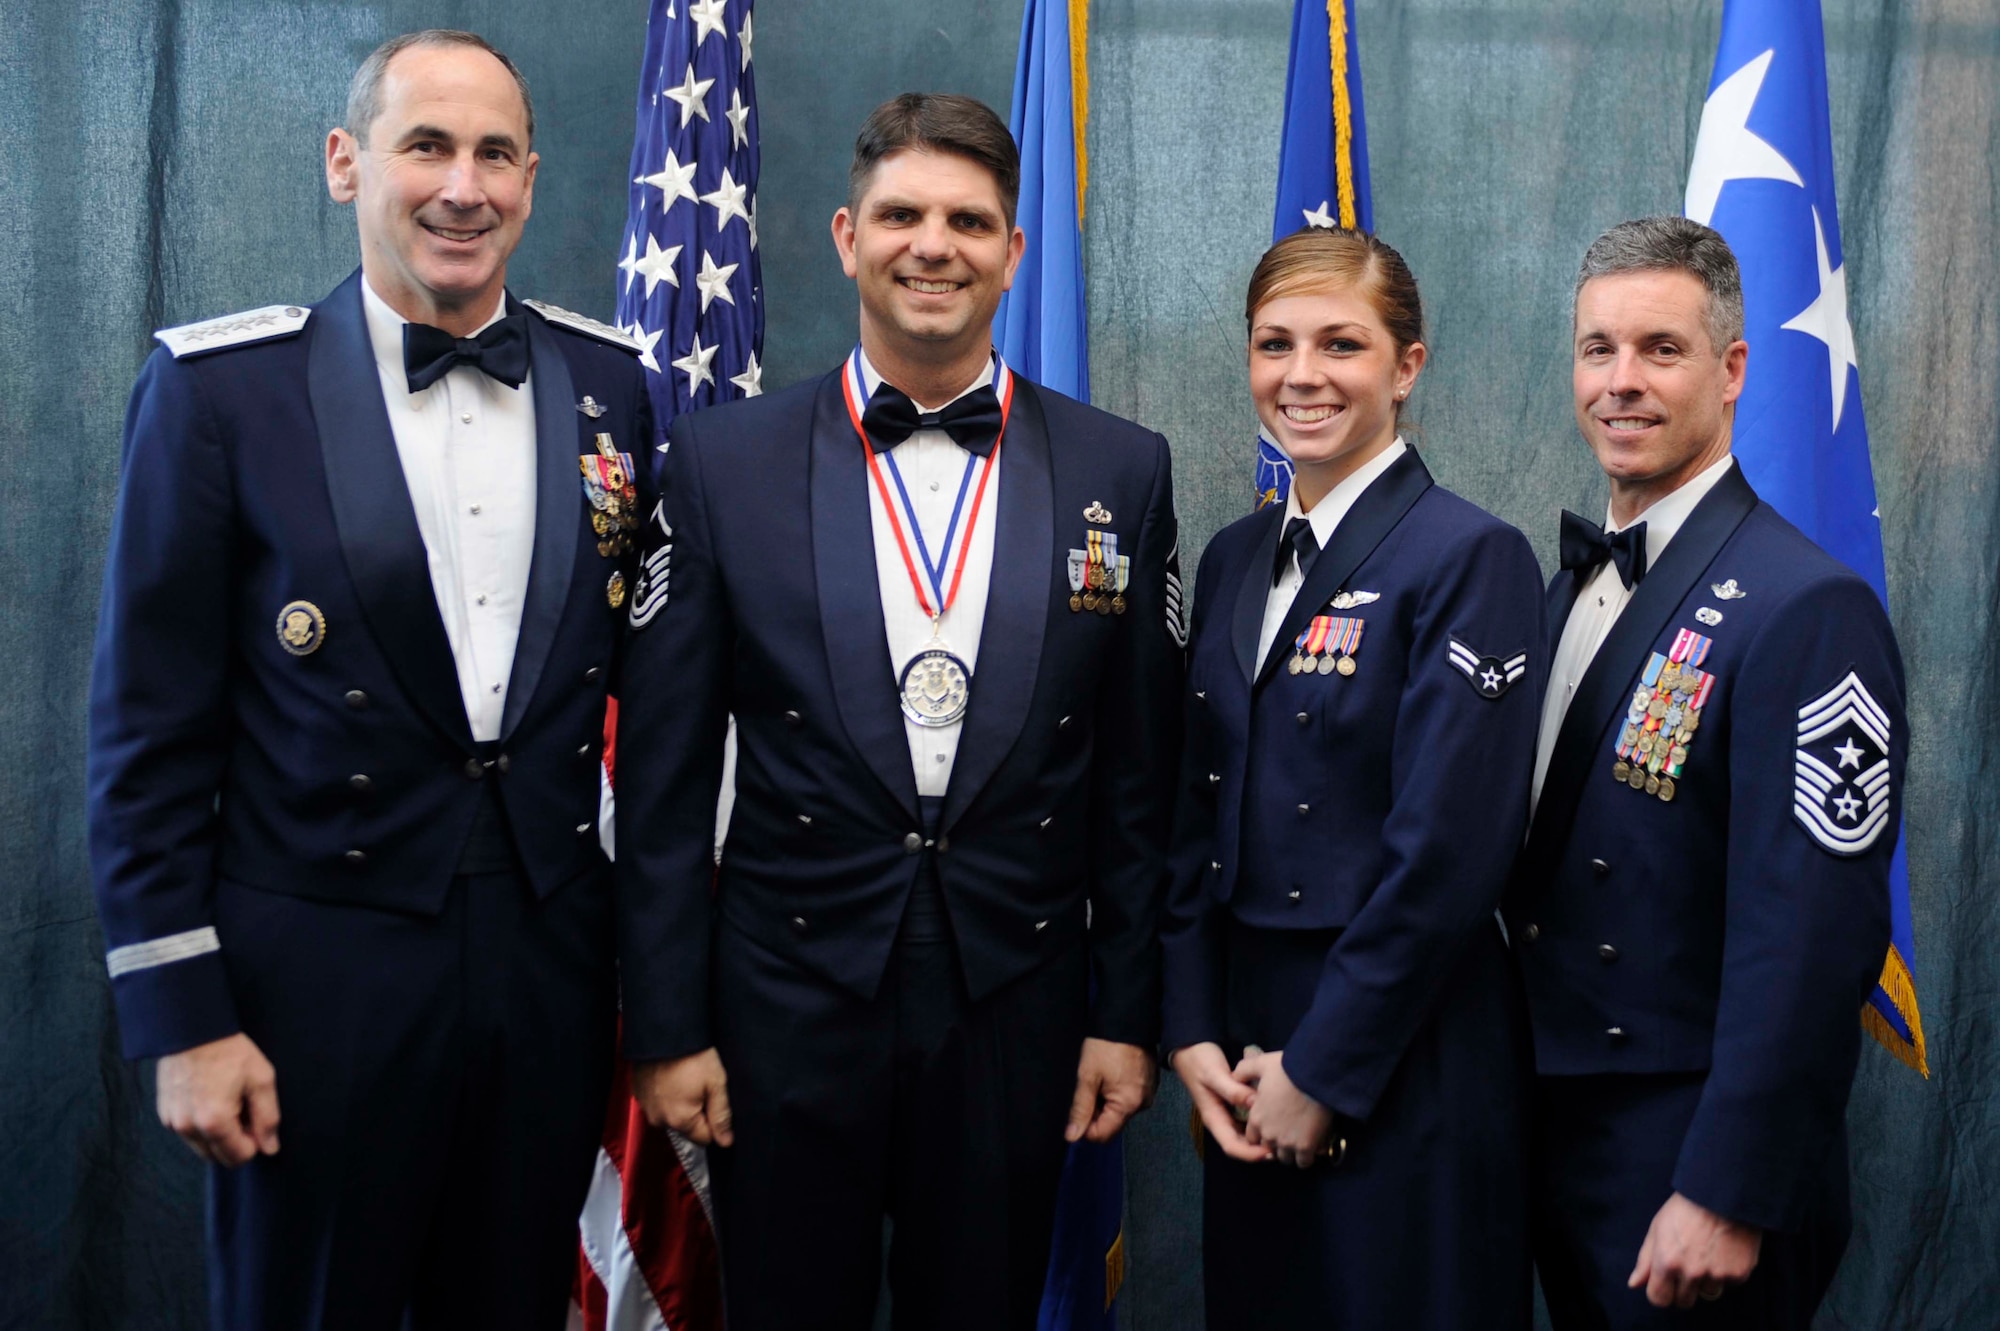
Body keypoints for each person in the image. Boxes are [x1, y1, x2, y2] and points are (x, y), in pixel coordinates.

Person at [87, 30, 650, 1329]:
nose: (465, 186)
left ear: (531, 176)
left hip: (546, 972)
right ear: (347, 164)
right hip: (310, 983)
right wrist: (184, 1014)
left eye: (495, 153)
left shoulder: (612, 386)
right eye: (427, 147)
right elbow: (146, 732)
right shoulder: (221, 392)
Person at [611, 93, 1183, 1331]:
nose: (935, 245)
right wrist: (665, 1023)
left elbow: (1137, 780)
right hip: (783, 995)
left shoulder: (1119, 470)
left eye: (969, 220)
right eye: (903, 215)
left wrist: (1122, 1016)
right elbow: (658, 778)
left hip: (1015, 1000)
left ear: (1014, 251)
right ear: (844, 234)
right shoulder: (720, 461)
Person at [1510, 216, 1907, 1328]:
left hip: (1686, 1148)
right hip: (1559, 1126)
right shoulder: (1565, 589)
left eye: (1659, 350)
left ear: (1730, 370)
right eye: (1597, 349)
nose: (1619, 382)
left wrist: (1726, 1185)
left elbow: (1814, 935)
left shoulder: (1805, 606)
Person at [1160, 226, 1546, 1329]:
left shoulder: (1469, 556)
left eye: (1341, 343)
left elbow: (1448, 853)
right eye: (1273, 343)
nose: (1301, 375)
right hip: (1241, 1049)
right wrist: (1190, 1032)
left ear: (1406, 364)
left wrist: (1324, 1066)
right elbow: (1196, 810)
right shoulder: (1235, 554)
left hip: (1401, 1040)